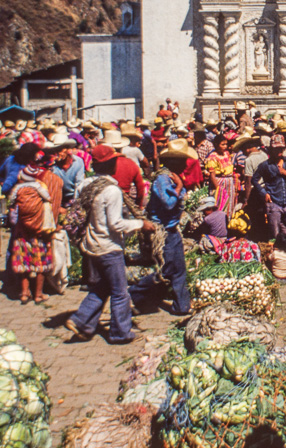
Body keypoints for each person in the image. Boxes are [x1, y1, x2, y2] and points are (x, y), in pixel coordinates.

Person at [66, 145, 154, 343]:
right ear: (111, 163)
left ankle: (82, 321)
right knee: (120, 292)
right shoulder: (111, 190)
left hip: (90, 244)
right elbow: (116, 224)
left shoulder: (85, 185)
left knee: (102, 286)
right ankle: (120, 333)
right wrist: (141, 224)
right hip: (108, 247)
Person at [130, 140, 193, 317]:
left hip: (172, 230)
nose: (186, 164)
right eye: (183, 161)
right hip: (162, 232)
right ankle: (134, 293)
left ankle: (182, 306)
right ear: (174, 162)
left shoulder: (171, 176)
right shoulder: (162, 179)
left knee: (179, 268)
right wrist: (180, 188)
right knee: (164, 271)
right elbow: (168, 203)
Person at [8, 165, 54, 304]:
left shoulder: (17, 188)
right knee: (40, 264)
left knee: (24, 263)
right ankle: (38, 295)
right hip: (38, 231)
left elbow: (11, 203)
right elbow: (49, 198)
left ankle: (24, 293)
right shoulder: (38, 187)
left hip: (22, 232)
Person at [252, 134, 286, 239]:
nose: (279, 151)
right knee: (275, 233)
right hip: (274, 204)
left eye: (281, 148)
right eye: (276, 149)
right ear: (271, 149)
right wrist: (264, 193)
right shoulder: (265, 165)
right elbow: (254, 180)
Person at [206, 134, 237, 218]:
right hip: (220, 182)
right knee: (220, 202)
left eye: (226, 144)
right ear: (216, 145)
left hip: (229, 181)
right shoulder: (212, 157)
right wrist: (218, 189)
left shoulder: (227, 153)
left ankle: (229, 221)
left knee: (230, 202)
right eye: (222, 144)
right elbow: (212, 175)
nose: (225, 146)